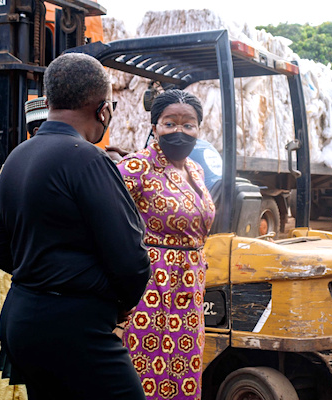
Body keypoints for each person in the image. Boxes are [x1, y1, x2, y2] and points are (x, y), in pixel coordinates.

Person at [0, 53, 151, 400]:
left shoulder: (18, 157)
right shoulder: (89, 160)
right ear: (102, 109)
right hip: (72, 327)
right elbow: (131, 261)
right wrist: (115, 303)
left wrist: (43, 274)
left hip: (21, 318)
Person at [117, 89, 215, 399]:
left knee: (184, 367)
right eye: (170, 123)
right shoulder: (137, 167)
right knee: (146, 367)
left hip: (190, 287)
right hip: (152, 285)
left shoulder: (196, 171)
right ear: (154, 126)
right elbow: (105, 218)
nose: (180, 131)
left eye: (189, 124)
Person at [0, 96, 47, 400]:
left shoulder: (14, 164)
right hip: (63, 287)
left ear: (30, 130)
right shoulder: (83, 159)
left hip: (17, 282)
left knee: (10, 364)